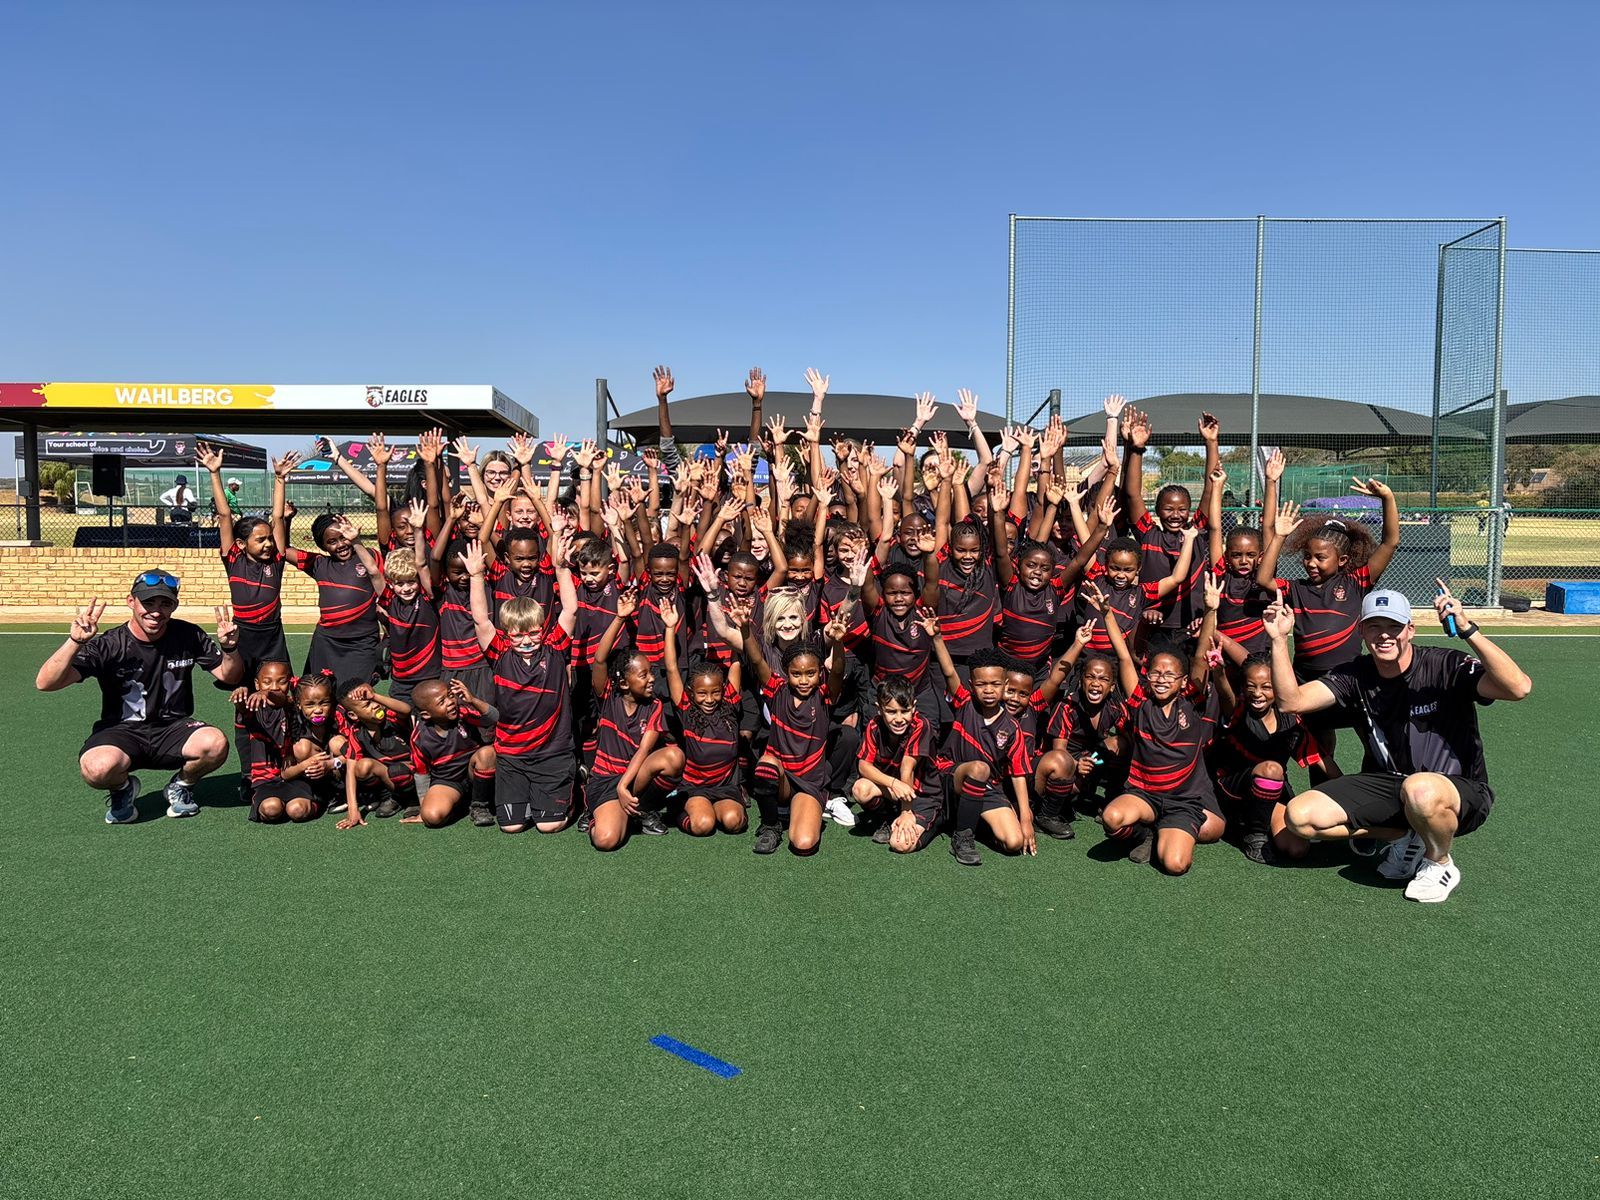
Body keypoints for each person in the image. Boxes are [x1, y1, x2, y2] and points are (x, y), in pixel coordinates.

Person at [1263, 584, 1532, 903]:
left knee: (1420, 789)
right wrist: (1279, 640)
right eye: (1375, 626)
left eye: (1394, 626)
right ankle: (1404, 833)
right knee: (1300, 816)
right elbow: (1291, 702)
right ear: (1362, 631)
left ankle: (1439, 862)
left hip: (1458, 790)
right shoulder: (1355, 675)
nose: (1384, 635)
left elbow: (1518, 688)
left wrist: (1467, 630)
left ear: (1410, 629)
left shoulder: (1445, 665)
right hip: (1390, 785)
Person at [36, 571, 241, 822]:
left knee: (215, 743)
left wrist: (229, 648)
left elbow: (228, 676)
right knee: (97, 768)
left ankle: (181, 786)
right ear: (131, 601)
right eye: (148, 602)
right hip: (122, 730)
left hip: (172, 728)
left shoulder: (188, 635)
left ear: (174, 606)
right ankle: (123, 789)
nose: (156, 611)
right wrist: (74, 642)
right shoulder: (110, 643)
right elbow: (45, 683)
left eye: (165, 604)